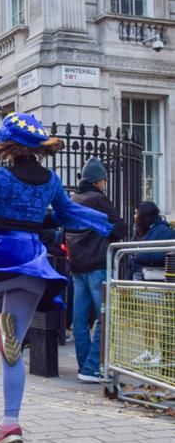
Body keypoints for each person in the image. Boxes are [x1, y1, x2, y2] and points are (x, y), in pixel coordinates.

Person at [0, 113, 113, 443]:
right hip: (33, 263)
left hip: (2, 253)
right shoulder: (52, 180)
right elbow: (64, 216)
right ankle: (9, 423)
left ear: (6, 145)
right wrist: (40, 214)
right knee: (10, 350)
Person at [65, 157, 126, 383]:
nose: (105, 184)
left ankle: (84, 366)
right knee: (106, 316)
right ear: (97, 181)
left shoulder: (73, 199)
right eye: (104, 180)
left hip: (77, 266)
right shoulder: (99, 199)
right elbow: (120, 229)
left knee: (80, 319)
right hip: (97, 264)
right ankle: (92, 367)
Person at [128, 201, 175, 366]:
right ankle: (148, 350)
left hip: (156, 280)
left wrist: (140, 256)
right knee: (147, 318)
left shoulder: (164, 231)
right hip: (143, 278)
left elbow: (164, 255)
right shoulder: (143, 230)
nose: (134, 216)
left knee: (158, 318)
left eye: (137, 213)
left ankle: (161, 352)